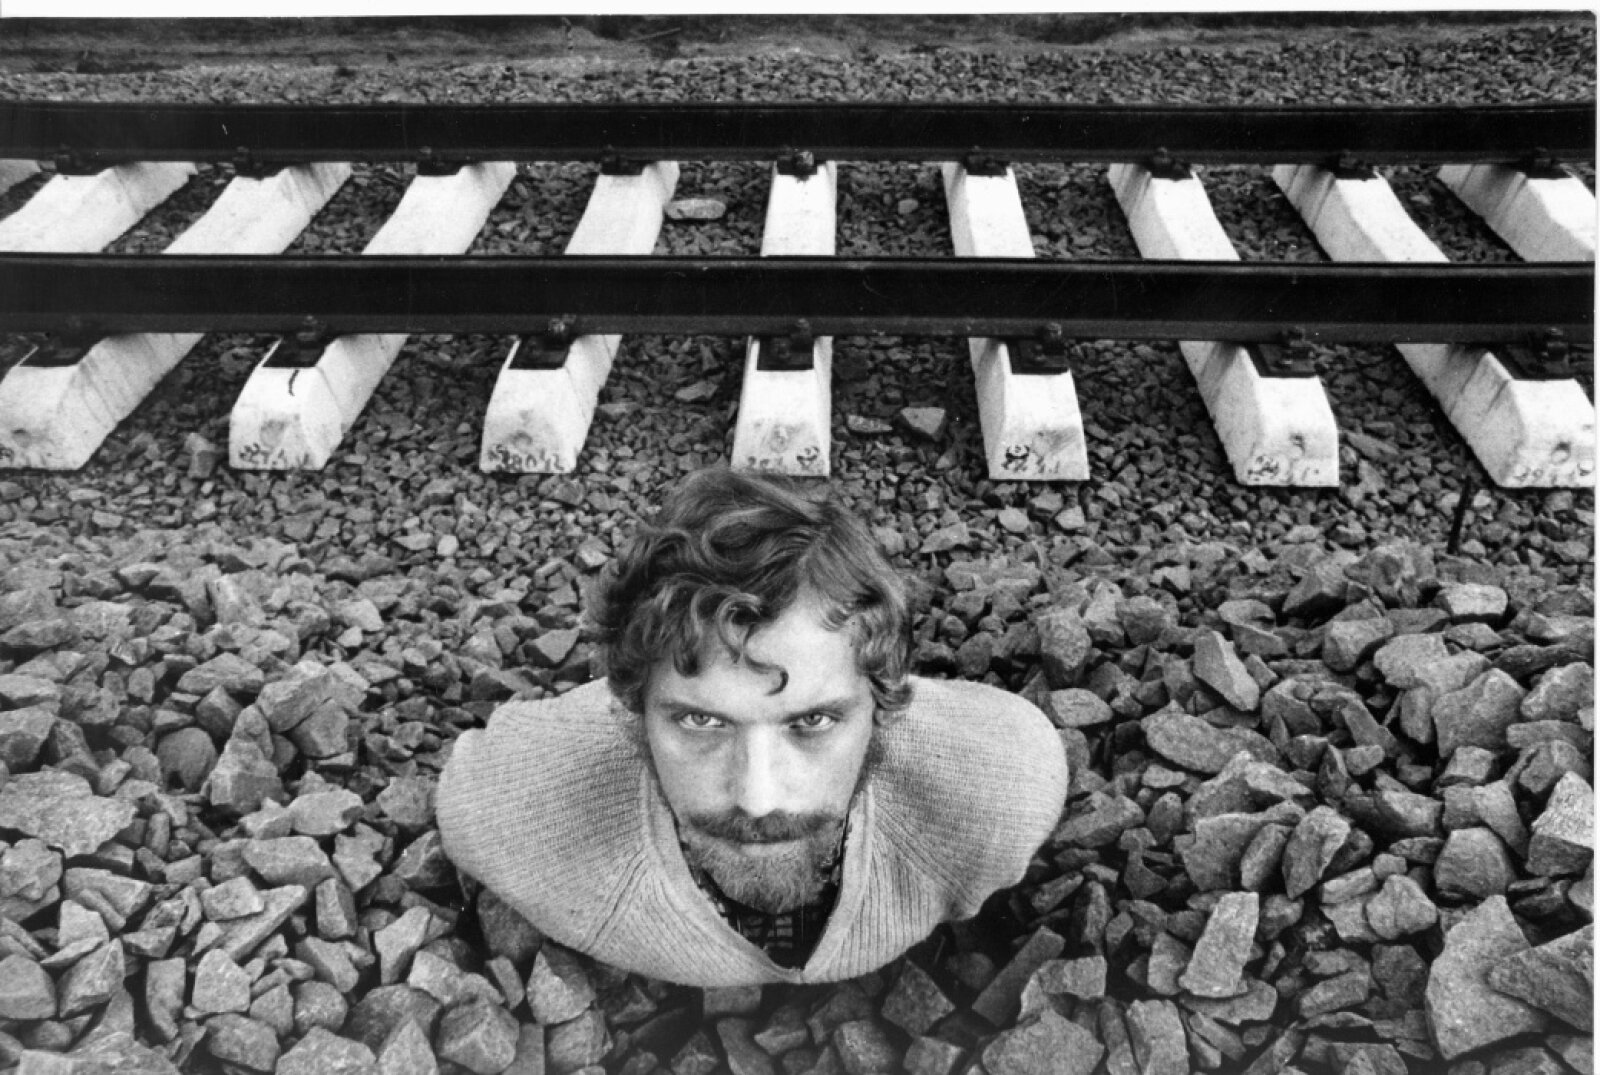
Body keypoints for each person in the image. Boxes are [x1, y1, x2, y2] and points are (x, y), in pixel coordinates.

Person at [436, 468, 1069, 986]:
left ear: (882, 707)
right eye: (701, 720)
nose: (758, 798)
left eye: (813, 720)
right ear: (631, 713)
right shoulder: (515, 820)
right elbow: (474, 784)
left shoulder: (1000, 794)